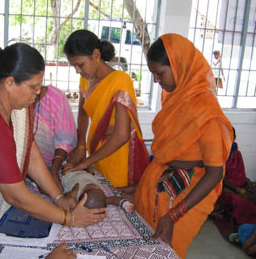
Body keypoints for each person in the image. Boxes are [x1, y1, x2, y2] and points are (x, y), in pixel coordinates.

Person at [0, 43, 106, 250]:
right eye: (33, 86)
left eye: (40, 85)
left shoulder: (5, 97)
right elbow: (15, 195)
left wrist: (57, 197)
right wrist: (69, 218)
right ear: (10, 82)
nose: (38, 93)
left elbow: (30, 152)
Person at [134, 34, 233, 258]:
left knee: (168, 249)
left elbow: (215, 172)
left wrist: (173, 215)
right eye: (153, 75)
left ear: (180, 66)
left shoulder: (207, 113)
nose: (157, 80)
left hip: (187, 194)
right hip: (160, 183)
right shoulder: (174, 100)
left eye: (160, 73)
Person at [62, 29, 149, 188]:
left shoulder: (120, 80)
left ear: (96, 55)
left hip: (116, 156)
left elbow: (122, 135)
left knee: (116, 202)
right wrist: (81, 146)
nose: (78, 71)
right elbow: (83, 114)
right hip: (97, 154)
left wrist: (85, 162)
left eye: (80, 65)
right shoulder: (85, 80)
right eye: (74, 66)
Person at [212, 127, 256, 241]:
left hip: (240, 187)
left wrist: (248, 184)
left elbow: (241, 174)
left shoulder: (237, 153)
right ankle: (244, 228)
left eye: (231, 137)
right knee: (237, 201)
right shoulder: (218, 154)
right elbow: (220, 178)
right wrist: (239, 191)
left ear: (235, 138)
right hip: (223, 189)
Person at [33, 85, 77, 189]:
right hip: (27, 168)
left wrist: (54, 169)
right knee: (47, 188)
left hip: (58, 164)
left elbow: (65, 141)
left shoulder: (56, 97)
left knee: (94, 197)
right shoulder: (13, 99)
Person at [62, 169, 134, 213]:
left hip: (86, 175)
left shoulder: (100, 199)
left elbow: (113, 199)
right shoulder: (76, 190)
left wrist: (125, 204)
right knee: (66, 169)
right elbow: (67, 198)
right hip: (70, 175)